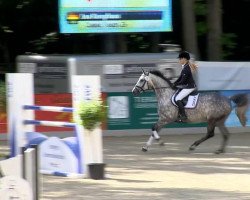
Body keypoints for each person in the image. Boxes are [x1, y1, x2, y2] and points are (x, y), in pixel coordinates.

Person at [173, 51, 198, 122]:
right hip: (186, 86)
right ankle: (178, 115)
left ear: (184, 59)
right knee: (175, 95)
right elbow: (180, 78)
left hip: (189, 87)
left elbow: (183, 81)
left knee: (177, 98)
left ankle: (183, 116)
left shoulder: (187, 68)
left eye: (180, 59)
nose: (179, 60)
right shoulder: (185, 67)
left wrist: (176, 85)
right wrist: (173, 83)